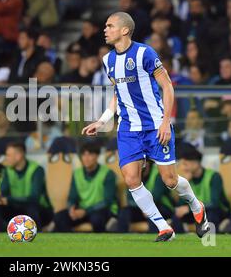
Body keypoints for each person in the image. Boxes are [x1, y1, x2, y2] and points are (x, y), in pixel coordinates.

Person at [82, 12, 210, 242]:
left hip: (155, 126)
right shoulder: (107, 60)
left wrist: (165, 122)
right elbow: (117, 94)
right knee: (131, 179)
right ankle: (164, 228)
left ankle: (196, 205)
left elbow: (168, 87)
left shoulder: (145, 53)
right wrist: (103, 120)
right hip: (128, 128)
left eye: (110, 26)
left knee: (170, 181)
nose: (105, 30)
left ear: (124, 30)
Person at [55, 141, 117, 233]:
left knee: (97, 219)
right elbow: (72, 197)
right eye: (83, 155)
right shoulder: (77, 173)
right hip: (82, 210)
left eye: (90, 154)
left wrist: (85, 211)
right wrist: (71, 208)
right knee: (59, 217)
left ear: (97, 156)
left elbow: (107, 201)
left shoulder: (108, 174)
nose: (86, 158)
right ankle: (71, 244)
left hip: (101, 210)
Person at [0, 142, 52, 231]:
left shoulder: (37, 170)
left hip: (38, 209)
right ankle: (3, 236)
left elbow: (34, 198)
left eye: (8, 155)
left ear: (18, 156)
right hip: (15, 207)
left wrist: (10, 199)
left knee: (32, 209)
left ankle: (36, 235)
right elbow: (4, 192)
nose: (6, 158)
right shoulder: (7, 170)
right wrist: (2, 199)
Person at [172, 148, 231, 233]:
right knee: (176, 216)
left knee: (210, 215)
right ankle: (182, 242)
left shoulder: (213, 176)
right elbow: (181, 204)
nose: (183, 168)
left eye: (185, 164)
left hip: (216, 211)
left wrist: (189, 209)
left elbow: (214, 203)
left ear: (196, 163)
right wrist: (184, 185)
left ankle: (211, 242)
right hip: (196, 211)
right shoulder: (187, 179)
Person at [118, 160, 176, 233]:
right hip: (141, 208)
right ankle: (122, 236)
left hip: (162, 207)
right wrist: (143, 208)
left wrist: (147, 208)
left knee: (152, 213)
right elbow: (130, 197)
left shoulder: (158, 174)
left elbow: (156, 196)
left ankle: (158, 236)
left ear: (147, 164)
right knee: (125, 212)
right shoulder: (133, 174)